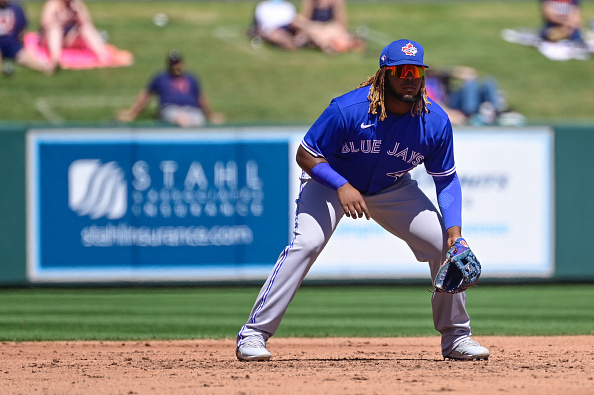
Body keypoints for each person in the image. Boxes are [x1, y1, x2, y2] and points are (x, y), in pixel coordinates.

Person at [236, 39, 490, 362]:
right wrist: (341, 185)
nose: (410, 77)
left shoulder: (434, 121)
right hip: (330, 181)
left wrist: (455, 231)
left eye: (416, 71)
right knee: (308, 243)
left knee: (445, 244)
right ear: (384, 74)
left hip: (391, 187)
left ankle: (456, 338)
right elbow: (306, 154)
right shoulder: (348, 110)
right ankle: (253, 335)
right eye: (401, 71)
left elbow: (447, 179)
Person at [117, 50, 224, 128]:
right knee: (183, 120)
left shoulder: (191, 78)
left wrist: (210, 115)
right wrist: (132, 113)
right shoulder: (160, 78)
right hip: (171, 110)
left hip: (192, 110)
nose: (176, 66)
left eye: (177, 63)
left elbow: (200, 98)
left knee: (198, 121)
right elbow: (145, 96)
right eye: (173, 64)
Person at [39, 0, 109, 74]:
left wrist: (78, 14)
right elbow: (44, 23)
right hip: (51, 38)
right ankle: (55, 60)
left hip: (69, 38)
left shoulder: (77, 4)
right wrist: (61, 19)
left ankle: (102, 54)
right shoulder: (53, 3)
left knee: (85, 28)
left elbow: (87, 22)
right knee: (55, 29)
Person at [424, 66, 509, 126]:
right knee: (471, 85)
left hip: (457, 102)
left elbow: (471, 74)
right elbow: (435, 105)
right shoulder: (429, 86)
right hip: (453, 108)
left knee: (488, 81)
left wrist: (451, 72)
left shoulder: (441, 80)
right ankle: (472, 114)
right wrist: (452, 115)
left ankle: (496, 111)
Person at [0, 0, 51, 75]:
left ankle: (47, 67)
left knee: (29, 59)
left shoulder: (16, 9)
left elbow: (22, 30)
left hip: (13, 45)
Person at [297, 0, 365, 53]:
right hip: (314, 28)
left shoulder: (336, 1)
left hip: (328, 29)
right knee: (314, 29)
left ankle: (332, 44)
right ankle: (327, 45)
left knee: (334, 30)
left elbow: (341, 23)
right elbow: (304, 19)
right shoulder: (311, 1)